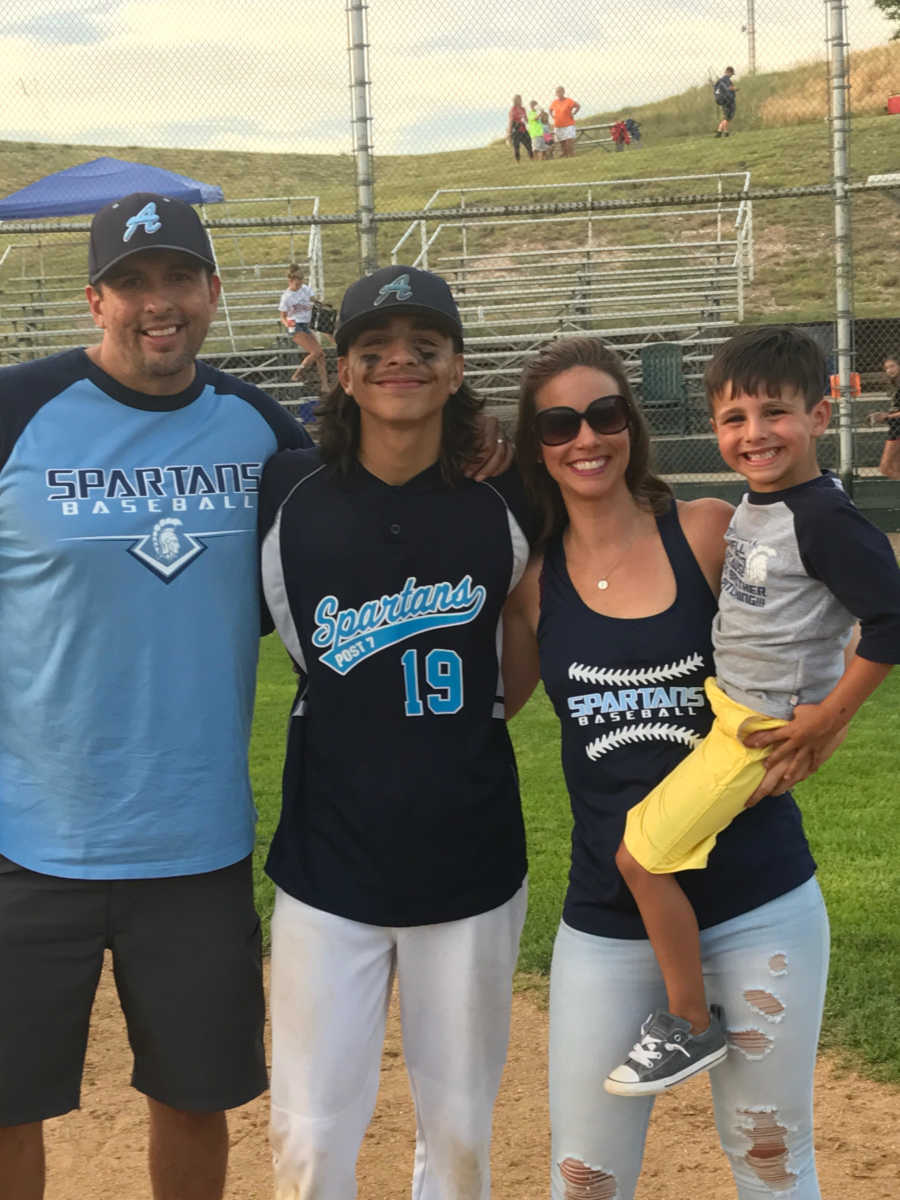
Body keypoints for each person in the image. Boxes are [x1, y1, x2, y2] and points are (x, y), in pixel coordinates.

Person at [0, 192, 312, 1200]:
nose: (157, 303)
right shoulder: (17, 411)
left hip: (195, 842)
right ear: (97, 299)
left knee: (193, 1096)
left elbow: (363, 504)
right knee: (7, 1104)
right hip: (25, 841)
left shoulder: (258, 427)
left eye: (178, 277)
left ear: (214, 293)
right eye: (132, 283)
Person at [503, 335, 845, 1198]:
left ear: (632, 423)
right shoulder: (533, 583)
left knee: (771, 1157)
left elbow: (823, 606)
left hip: (755, 898)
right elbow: (491, 709)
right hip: (611, 917)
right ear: (536, 445)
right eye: (559, 423)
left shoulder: (704, 531)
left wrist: (825, 719)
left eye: (604, 413)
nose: (586, 438)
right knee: (585, 1174)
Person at [258, 264, 530, 1199]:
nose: (399, 362)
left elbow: (524, 659)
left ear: (457, 369)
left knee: (458, 1136)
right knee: (308, 1130)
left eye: (425, 347)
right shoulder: (289, 492)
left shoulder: (507, 495)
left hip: (471, 859)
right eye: (375, 348)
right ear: (343, 371)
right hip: (327, 859)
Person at [603, 326, 900, 1096]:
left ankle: (687, 1023)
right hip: (725, 710)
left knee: (639, 857)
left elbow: (892, 618)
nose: (755, 434)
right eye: (735, 418)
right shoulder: (768, 501)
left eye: (775, 413)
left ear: (821, 415)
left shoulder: (824, 519)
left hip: (751, 733)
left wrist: (827, 719)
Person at [278, 265, 329, 391]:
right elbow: (283, 317)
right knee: (316, 352)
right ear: (291, 280)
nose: (301, 282)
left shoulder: (305, 289)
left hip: (305, 324)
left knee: (320, 354)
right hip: (295, 325)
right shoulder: (286, 297)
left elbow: (313, 300)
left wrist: (322, 305)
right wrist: (289, 325)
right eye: (298, 279)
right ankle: (296, 375)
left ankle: (325, 385)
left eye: (302, 278)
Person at [867, 352, 900, 479]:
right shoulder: (895, 385)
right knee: (895, 467)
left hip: (898, 430)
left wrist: (887, 417)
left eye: (892, 366)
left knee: (885, 468)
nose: (889, 370)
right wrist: (881, 416)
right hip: (895, 427)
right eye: (886, 368)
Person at [550, 85, 581, 157]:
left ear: (563, 92)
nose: (558, 93)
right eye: (557, 92)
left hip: (568, 124)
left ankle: (572, 155)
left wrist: (574, 113)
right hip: (558, 125)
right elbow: (550, 110)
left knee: (569, 142)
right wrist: (552, 116)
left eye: (560, 91)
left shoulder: (569, 100)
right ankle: (566, 156)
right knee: (562, 143)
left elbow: (578, 106)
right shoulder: (554, 102)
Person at [507, 93, 533, 163]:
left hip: (523, 129)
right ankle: (518, 161)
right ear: (515, 101)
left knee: (529, 144)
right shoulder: (513, 110)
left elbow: (526, 119)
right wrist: (509, 133)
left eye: (520, 99)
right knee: (516, 146)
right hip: (516, 130)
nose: (520, 101)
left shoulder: (523, 109)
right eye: (518, 99)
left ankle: (532, 158)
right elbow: (511, 121)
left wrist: (528, 120)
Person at [714, 66, 737, 137]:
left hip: (721, 100)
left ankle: (725, 132)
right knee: (728, 117)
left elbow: (715, 90)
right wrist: (735, 89)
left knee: (726, 116)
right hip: (728, 100)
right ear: (728, 72)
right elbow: (729, 88)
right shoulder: (727, 79)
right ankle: (719, 131)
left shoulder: (719, 80)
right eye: (731, 74)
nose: (731, 76)